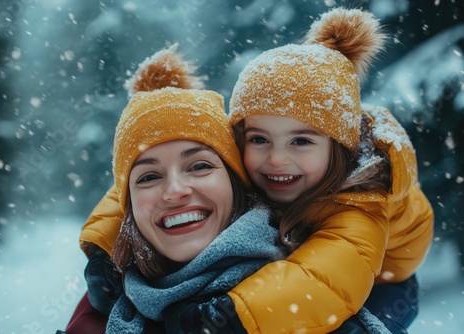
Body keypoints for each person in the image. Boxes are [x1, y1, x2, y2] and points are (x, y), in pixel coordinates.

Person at [63, 7, 433, 334]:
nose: (276, 159)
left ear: (337, 148)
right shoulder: (254, 173)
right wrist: (103, 253)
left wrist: (234, 314)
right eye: (258, 140)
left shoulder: (359, 200)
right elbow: (127, 191)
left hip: (382, 279)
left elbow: (321, 282)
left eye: (301, 141)